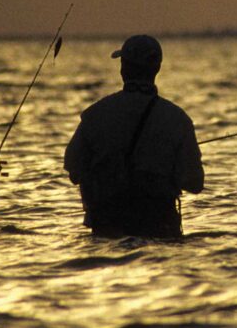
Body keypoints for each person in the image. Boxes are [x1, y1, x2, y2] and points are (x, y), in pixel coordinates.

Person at [64, 35, 204, 238]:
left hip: (107, 228)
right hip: (160, 229)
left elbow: (74, 171)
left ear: (124, 69)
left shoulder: (95, 114)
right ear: (157, 68)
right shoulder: (177, 119)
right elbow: (194, 183)